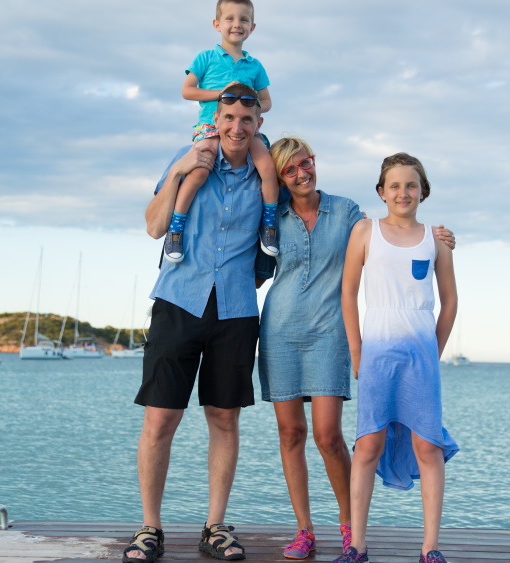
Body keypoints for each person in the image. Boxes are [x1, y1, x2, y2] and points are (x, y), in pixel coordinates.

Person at [258, 139, 457, 560]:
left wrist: (438, 236)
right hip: (281, 331)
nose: (301, 173)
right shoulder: (271, 215)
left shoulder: (348, 212)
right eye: (289, 170)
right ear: (279, 177)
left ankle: (351, 532)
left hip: (331, 335)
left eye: (305, 163)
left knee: (330, 436)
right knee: (291, 433)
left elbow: (393, 241)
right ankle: (305, 530)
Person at [125, 82, 269, 563]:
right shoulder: (188, 158)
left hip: (235, 311)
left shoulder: (266, 178)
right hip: (178, 301)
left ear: (257, 126)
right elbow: (153, 225)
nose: (236, 127)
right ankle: (150, 528)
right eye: (229, 118)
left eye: (246, 120)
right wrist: (180, 171)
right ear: (217, 119)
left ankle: (215, 526)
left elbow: (305, 217)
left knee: (224, 418)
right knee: (160, 419)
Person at [335, 153, 460, 563]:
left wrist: (433, 351)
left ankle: (430, 548)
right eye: (394, 185)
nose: (403, 192)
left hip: (420, 355)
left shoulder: (436, 239)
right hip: (377, 353)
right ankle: (357, 546)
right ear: (381, 191)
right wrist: (357, 350)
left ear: (423, 191)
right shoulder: (365, 232)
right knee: (368, 444)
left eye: (411, 185)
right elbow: (348, 294)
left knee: (428, 446)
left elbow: (450, 301)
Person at [163, 0, 279, 264]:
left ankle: (269, 226)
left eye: (243, 20)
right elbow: (187, 90)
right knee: (200, 171)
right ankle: (176, 229)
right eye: (229, 19)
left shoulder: (255, 65)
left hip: (244, 130)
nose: (236, 24)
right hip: (211, 126)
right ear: (217, 24)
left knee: (267, 167)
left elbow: (268, 102)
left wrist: (248, 101)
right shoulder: (206, 58)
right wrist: (223, 94)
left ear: (252, 27)